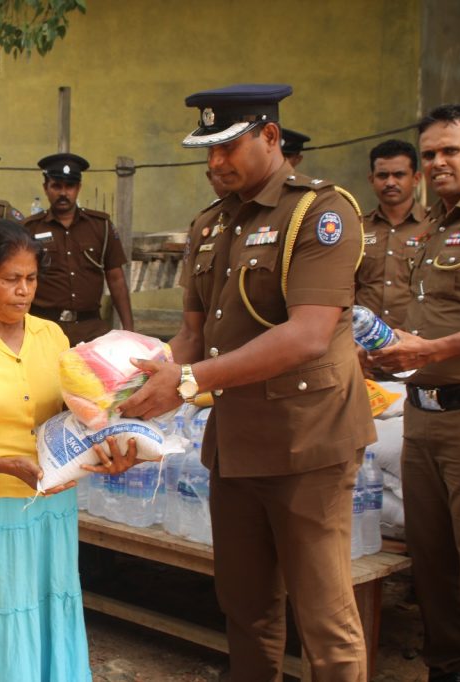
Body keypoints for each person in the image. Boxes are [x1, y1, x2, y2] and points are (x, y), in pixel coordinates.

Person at [118, 84, 375, 680]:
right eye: (207, 151)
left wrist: (187, 381)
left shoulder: (320, 214)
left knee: (324, 622)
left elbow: (308, 335)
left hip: (308, 445)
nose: (215, 163)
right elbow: (191, 335)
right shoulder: (210, 225)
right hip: (235, 444)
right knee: (246, 608)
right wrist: (125, 381)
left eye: (228, 147)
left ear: (270, 137)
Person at [0, 219, 138, 681]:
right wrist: (5, 466)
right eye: (10, 279)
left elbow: (73, 416)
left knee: (42, 610)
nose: (24, 291)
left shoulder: (51, 336)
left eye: (31, 279)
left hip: (48, 508)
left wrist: (109, 443)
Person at [369, 104, 460, 682]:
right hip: (421, 415)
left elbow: (445, 335)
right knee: (433, 564)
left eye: (451, 150)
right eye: (430, 154)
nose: (439, 162)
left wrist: (433, 351)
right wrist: (385, 349)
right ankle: (448, 669)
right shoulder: (433, 228)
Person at [22, 152, 134, 346]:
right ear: (46, 188)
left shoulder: (101, 226)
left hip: (91, 330)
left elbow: (116, 278)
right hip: (43, 328)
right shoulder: (30, 229)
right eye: (57, 186)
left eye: (70, 186)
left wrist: (129, 329)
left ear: (79, 188)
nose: (63, 193)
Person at [355, 139, 425, 330]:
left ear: (416, 179)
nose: (390, 182)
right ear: (372, 180)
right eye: (382, 175)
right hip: (363, 339)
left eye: (399, 175)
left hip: (416, 339)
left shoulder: (434, 225)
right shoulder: (358, 227)